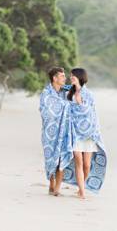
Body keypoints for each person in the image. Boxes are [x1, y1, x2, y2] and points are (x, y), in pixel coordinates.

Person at [67, 68, 107, 199]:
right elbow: (68, 112)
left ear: (80, 77)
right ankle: (82, 192)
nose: (71, 77)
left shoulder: (89, 94)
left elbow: (91, 113)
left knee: (87, 164)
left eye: (73, 76)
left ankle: (82, 186)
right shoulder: (69, 93)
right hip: (75, 133)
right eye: (70, 76)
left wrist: (80, 103)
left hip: (88, 133)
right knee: (78, 161)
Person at [39, 67, 73, 196]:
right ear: (55, 78)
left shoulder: (66, 92)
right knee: (51, 159)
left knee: (62, 157)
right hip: (50, 133)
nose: (65, 78)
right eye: (62, 76)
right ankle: (51, 183)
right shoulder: (46, 93)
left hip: (64, 132)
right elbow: (45, 111)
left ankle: (58, 188)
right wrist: (64, 106)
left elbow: (80, 91)